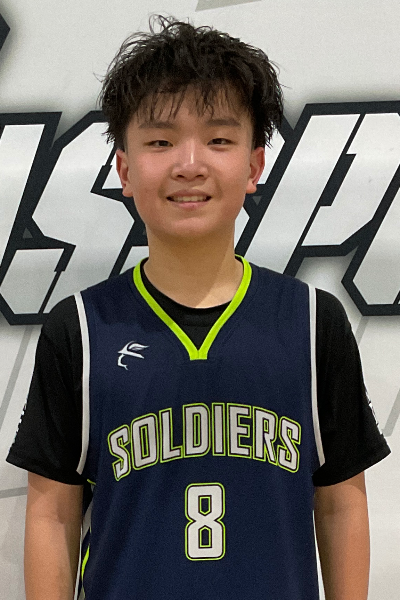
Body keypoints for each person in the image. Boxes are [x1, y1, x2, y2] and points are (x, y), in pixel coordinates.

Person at [7, 15, 390, 600]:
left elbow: (339, 504)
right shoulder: (80, 329)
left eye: (218, 139)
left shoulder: (314, 322)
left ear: (255, 165)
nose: (189, 163)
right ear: (125, 169)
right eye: (161, 141)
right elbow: (52, 514)